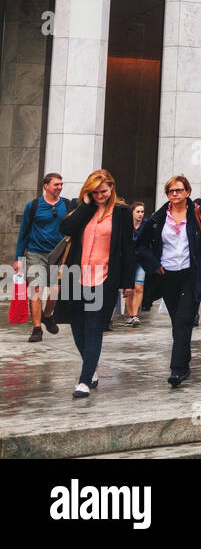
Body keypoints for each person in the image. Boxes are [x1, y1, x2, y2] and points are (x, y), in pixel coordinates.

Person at [135, 174, 201, 387]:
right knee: (178, 322)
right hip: (167, 275)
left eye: (179, 190)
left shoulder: (199, 213)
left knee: (183, 320)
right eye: (171, 191)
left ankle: (177, 370)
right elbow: (139, 245)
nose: (175, 194)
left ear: (188, 192)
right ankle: (184, 362)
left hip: (191, 274)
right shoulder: (158, 218)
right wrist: (153, 264)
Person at [55, 170, 135, 398]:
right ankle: (92, 368)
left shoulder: (121, 212)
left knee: (93, 326)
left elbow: (128, 248)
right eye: (95, 192)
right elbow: (65, 229)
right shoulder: (80, 208)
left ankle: (83, 380)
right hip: (75, 276)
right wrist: (87, 206)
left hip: (103, 278)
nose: (100, 195)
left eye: (104, 191)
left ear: (112, 189)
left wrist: (128, 281)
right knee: (77, 327)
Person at [13, 172, 73, 343]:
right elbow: (23, 233)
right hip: (35, 253)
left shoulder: (67, 205)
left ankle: (47, 316)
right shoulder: (33, 206)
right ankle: (37, 328)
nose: (60, 187)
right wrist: (18, 258)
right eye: (56, 184)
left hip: (58, 254)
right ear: (46, 186)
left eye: (61, 184)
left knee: (55, 290)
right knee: (36, 290)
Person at [123, 201, 148, 326]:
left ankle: (134, 315)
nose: (140, 214)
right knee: (129, 289)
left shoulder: (146, 225)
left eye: (142, 211)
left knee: (139, 287)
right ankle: (130, 314)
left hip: (141, 260)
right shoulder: (126, 225)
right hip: (127, 261)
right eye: (137, 211)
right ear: (132, 212)